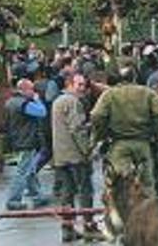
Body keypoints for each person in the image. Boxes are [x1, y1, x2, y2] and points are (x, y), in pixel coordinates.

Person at [91, 58, 158, 192]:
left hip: (119, 143)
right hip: (143, 142)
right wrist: (154, 130)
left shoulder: (110, 94)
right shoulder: (146, 92)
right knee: (147, 184)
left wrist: (102, 133)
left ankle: (125, 211)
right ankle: (146, 210)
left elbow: (96, 115)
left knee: (121, 184)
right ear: (135, 76)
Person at [52, 72, 105, 242]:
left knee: (66, 193)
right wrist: (88, 150)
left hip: (61, 155)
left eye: (84, 85)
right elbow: (77, 129)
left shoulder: (57, 101)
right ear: (69, 84)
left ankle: (67, 229)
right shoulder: (73, 102)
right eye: (79, 85)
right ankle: (89, 227)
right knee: (85, 191)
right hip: (76, 155)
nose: (83, 89)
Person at [4, 78, 51, 211]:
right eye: (32, 89)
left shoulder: (10, 102)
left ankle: (38, 195)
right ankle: (13, 200)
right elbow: (42, 112)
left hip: (18, 139)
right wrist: (37, 99)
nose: (34, 92)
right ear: (24, 89)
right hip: (27, 141)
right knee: (23, 171)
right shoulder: (24, 104)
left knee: (29, 170)